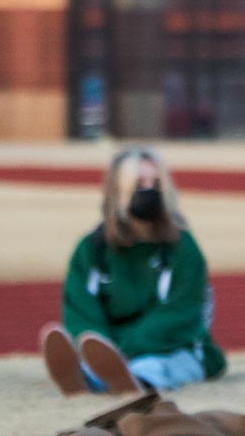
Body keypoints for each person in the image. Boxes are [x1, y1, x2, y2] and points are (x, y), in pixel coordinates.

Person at [39, 148, 227, 395]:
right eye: (139, 183)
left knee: (155, 365)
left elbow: (181, 314)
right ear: (117, 192)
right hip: (112, 346)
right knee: (96, 354)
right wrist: (100, 346)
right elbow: (80, 310)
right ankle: (89, 374)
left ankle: (128, 378)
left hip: (176, 347)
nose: (149, 190)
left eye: (156, 183)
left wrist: (121, 349)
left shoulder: (182, 248)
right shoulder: (92, 249)